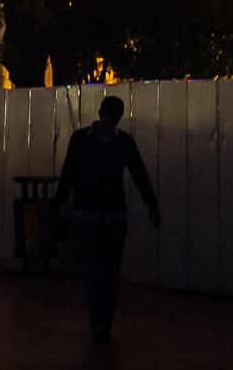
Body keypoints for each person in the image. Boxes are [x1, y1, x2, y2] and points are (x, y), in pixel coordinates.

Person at [54, 95, 161, 345]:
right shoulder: (123, 143)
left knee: (96, 271)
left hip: (87, 212)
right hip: (112, 214)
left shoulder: (81, 140)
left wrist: (57, 206)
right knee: (108, 272)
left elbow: (68, 174)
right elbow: (138, 174)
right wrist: (152, 205)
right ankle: (102, 324)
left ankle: (98, 324)